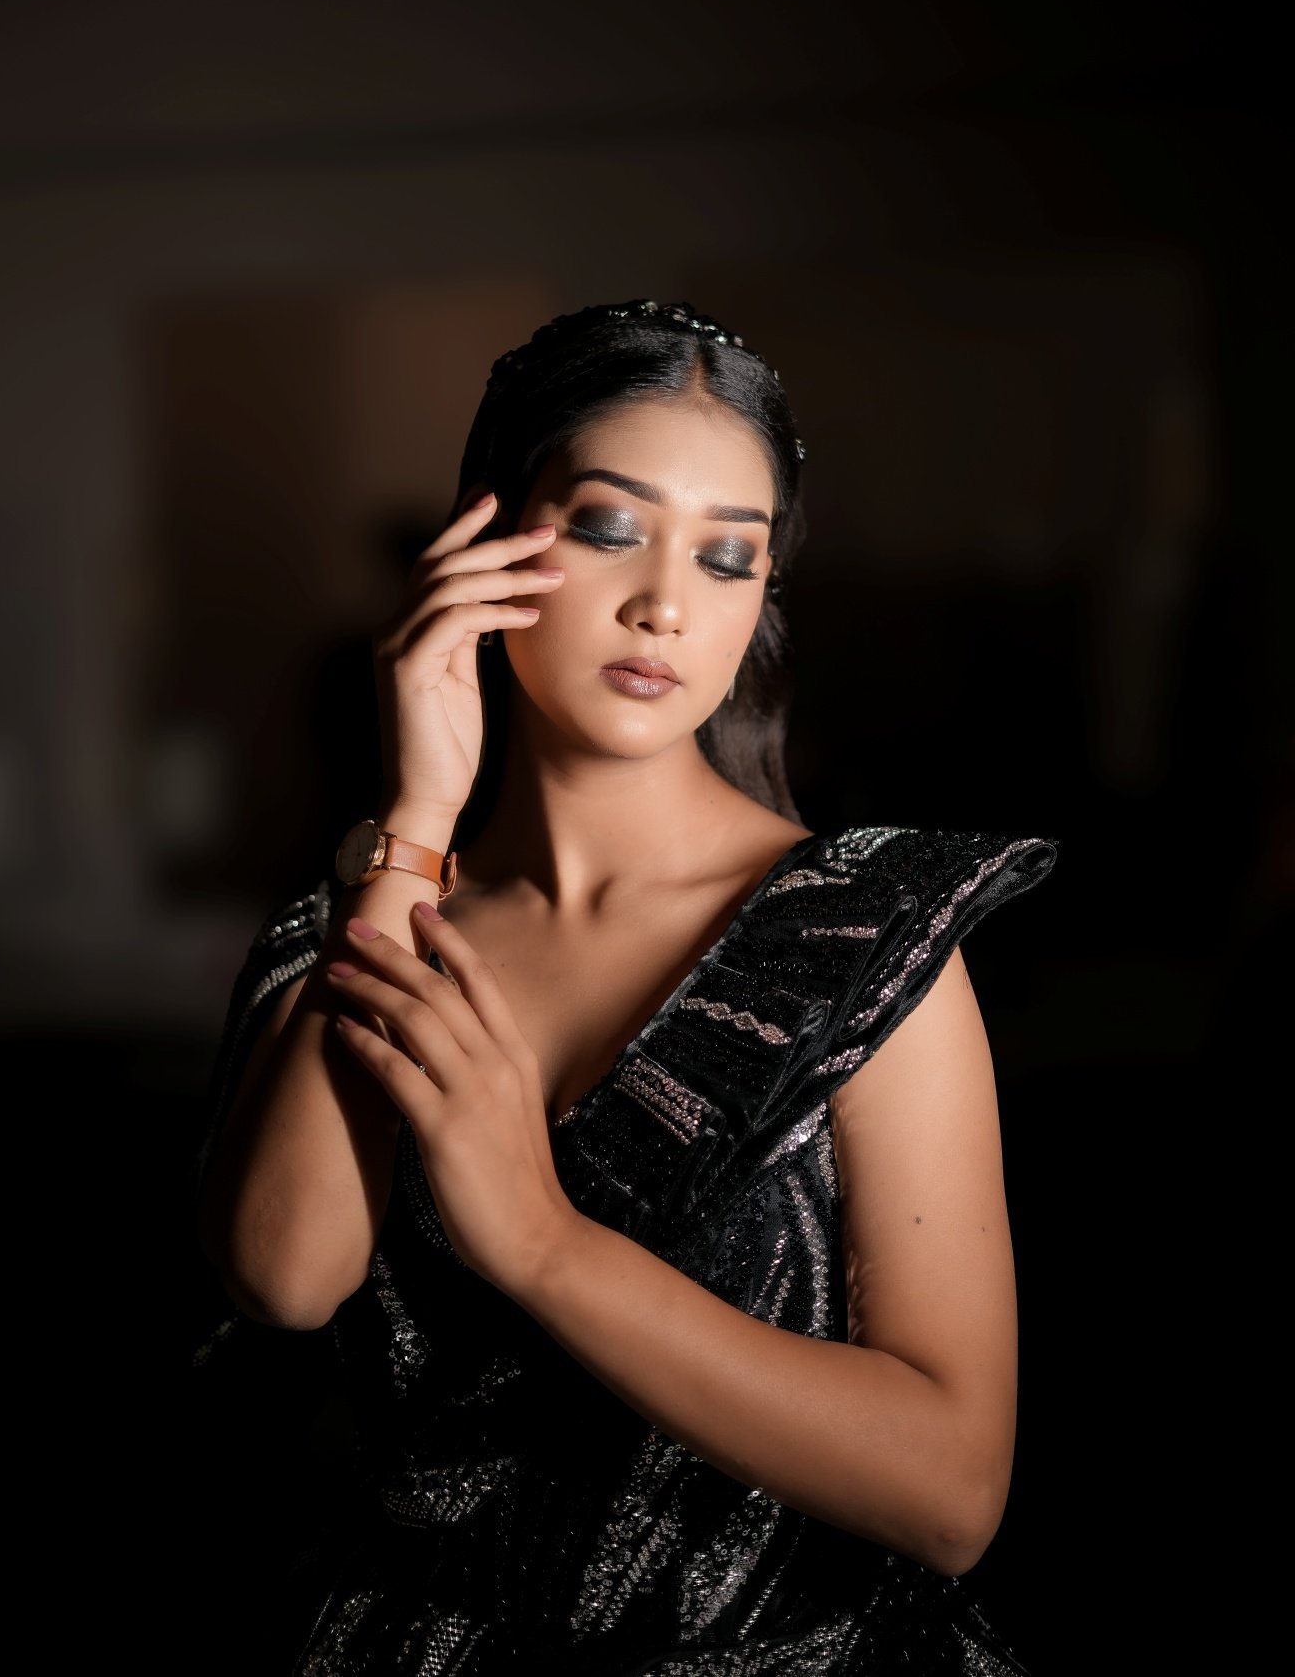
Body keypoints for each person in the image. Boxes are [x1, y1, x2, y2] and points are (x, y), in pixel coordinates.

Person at [194, 298, 1058, 1673]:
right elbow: (285, 1275)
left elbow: (952, 1497)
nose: (666, 602)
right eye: (608, 527)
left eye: (727, 556)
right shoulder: (372, 914)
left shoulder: (857, 939)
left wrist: (540, 1238)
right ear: (483, 539)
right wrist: (417, 815)